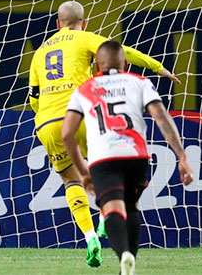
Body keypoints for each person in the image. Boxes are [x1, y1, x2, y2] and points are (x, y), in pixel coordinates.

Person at [27, 0, 179, 268]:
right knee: (104, 168)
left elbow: (34, 98)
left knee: (70, 180)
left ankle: (89, 238)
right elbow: (122, 51)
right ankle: (103, 219)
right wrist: (158, 67)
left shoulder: (39, 52)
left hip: (49, 122)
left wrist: (45, 117)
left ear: (56, 23)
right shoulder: (84, 37)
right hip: (83, 114)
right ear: (83, 23)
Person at [62, 40, 193, 275]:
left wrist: (82, 172)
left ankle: (123, 254)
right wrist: (181, 156)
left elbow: (67, 134)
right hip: (136, 155)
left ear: (97, 65)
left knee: (111, 208)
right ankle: (129, 262)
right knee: (131, 207)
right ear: (124, 63)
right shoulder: (139, 82)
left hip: (103, 158)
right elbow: (161, 117)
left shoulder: (84, 89)